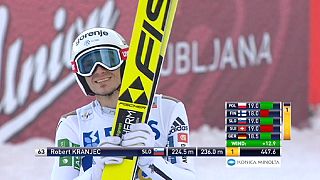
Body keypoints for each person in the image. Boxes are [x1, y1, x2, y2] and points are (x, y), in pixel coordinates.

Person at [51, 27, 196, 180]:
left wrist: (151, 160)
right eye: (88, 65)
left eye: (109, 59)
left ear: (125, 61)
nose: (99, 70)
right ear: (79, 74)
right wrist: (96, 174)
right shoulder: (73, 124)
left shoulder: (168, 109)